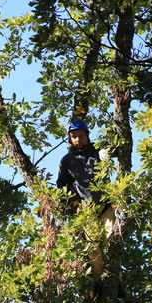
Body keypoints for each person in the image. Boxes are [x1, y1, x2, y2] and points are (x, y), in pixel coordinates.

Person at [56, 119, 115, 282]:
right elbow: (62, 186)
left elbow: (116, 151)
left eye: (81, 135)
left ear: (87, 135)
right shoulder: (67, 160)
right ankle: (99, 281)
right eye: (73, 136)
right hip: (86, 209)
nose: (77, 139)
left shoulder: (98, 150)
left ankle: (116, 280)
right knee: (93, 247)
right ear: (70, 138)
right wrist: (74, 205)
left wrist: (109, 149)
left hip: (106, 205)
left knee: (112, 240)